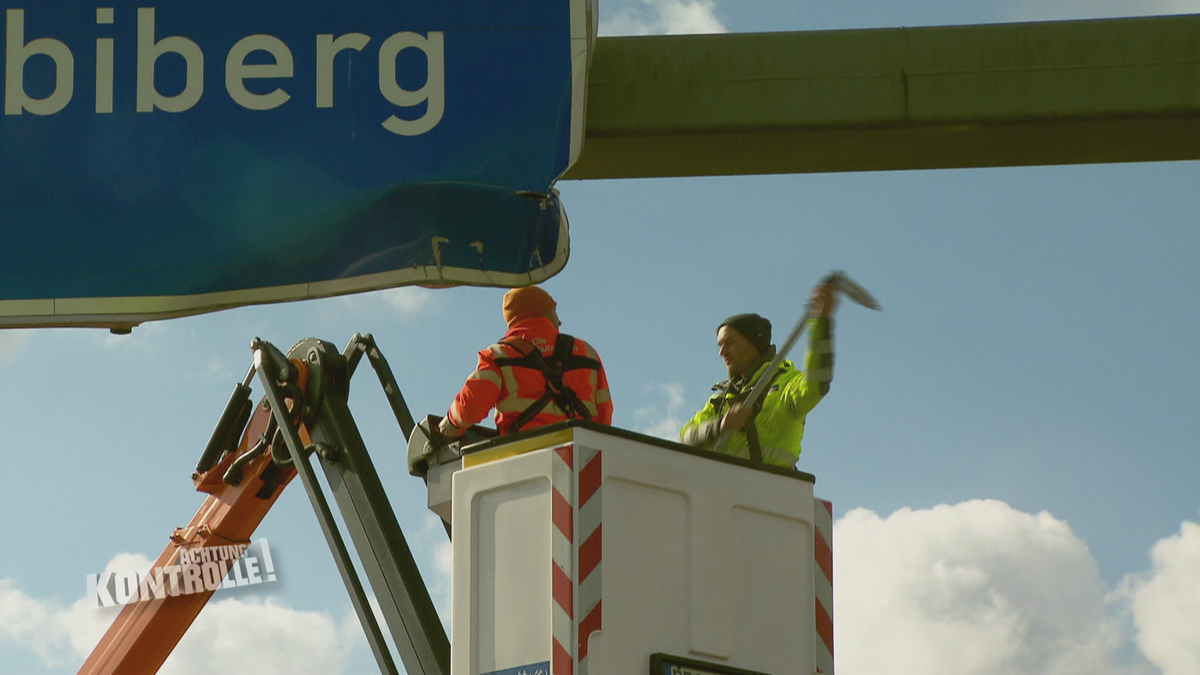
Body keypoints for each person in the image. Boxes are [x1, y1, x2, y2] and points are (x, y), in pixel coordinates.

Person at [679, 283, 839, 467]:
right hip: (722, 490)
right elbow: (685, 437)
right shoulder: (720, 401)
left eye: (729, 342)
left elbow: (817, 383)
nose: (722, 352)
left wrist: (821, 322)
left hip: (770, 490)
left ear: (754, 343)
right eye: (720, 345)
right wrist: (720, 426)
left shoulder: (785, 383)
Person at [438, 286, 613, 440]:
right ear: (540, 311)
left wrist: (450, 424)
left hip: (525, 461)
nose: (559, 321)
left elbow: (472, 404)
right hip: (581, 458)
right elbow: (604, 417)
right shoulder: (588, 353)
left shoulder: (498, 356)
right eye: (553, 311)